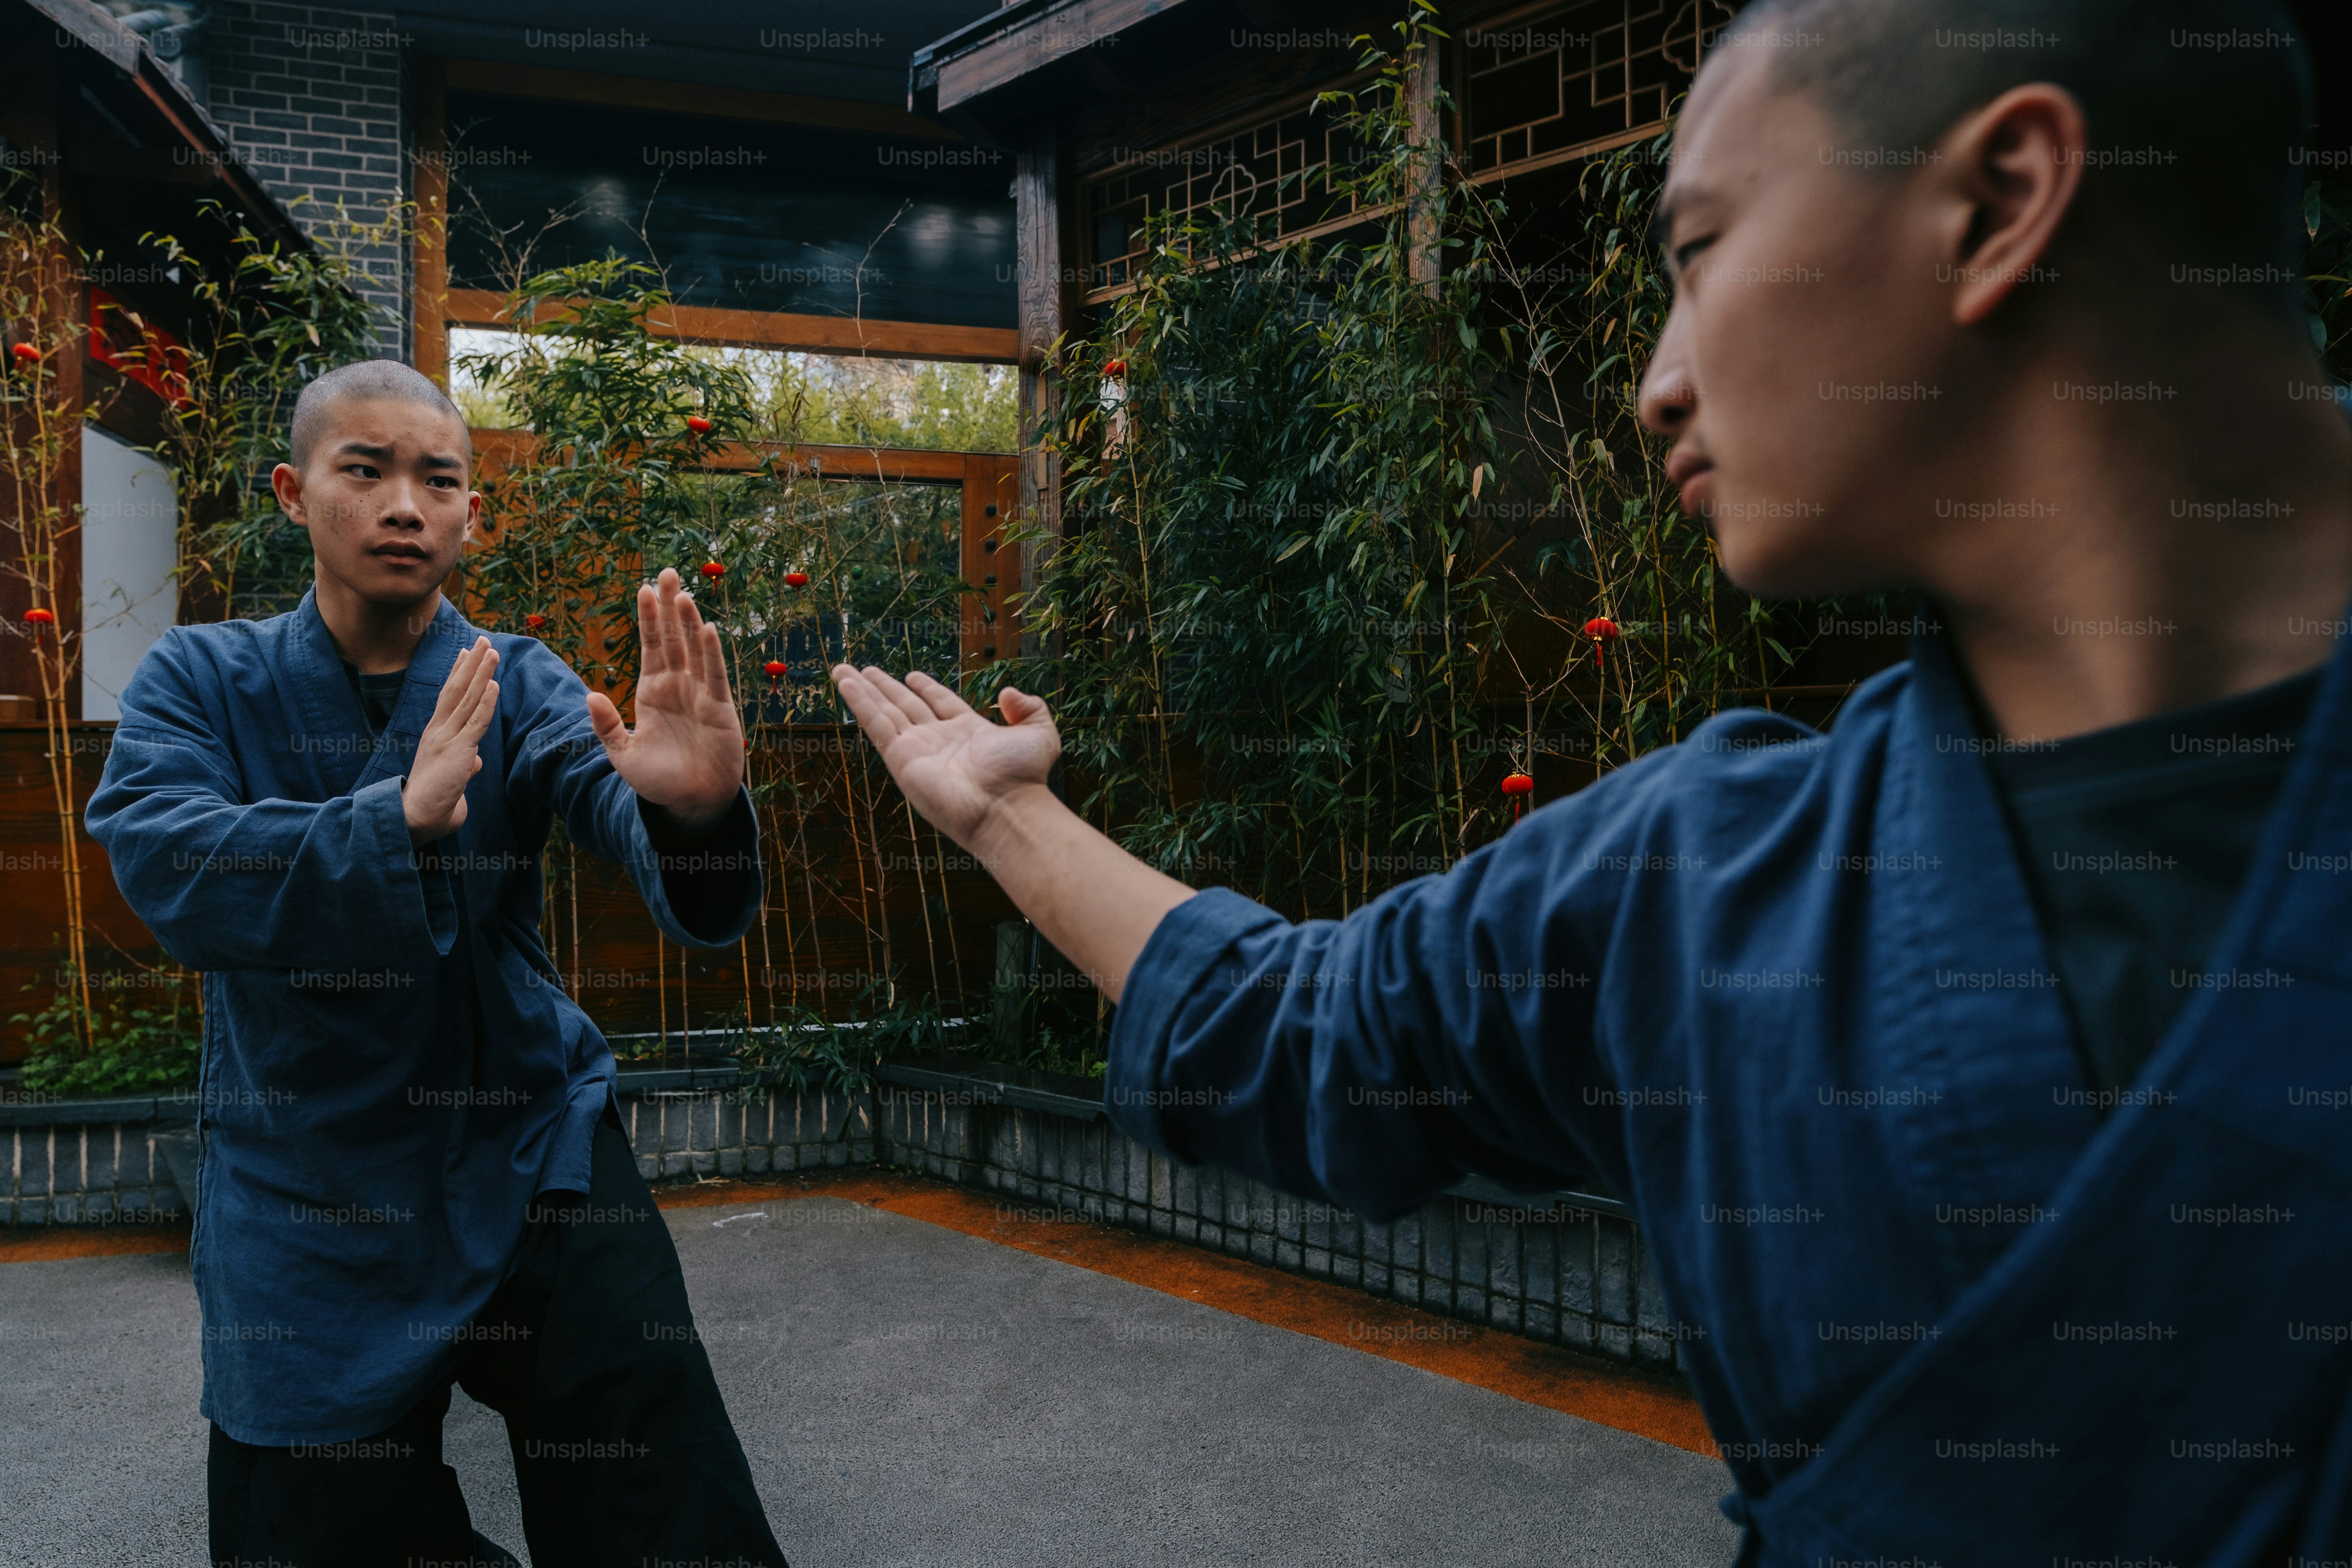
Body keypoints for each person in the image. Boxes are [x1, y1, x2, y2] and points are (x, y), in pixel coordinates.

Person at [829, 1, 2352, 1562]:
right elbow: (1293, 1035)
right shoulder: (1703, 877)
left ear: (1998, 200)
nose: (1653, 387)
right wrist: (1005, 813)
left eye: (1695, 253)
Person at [87, 360, 790, 1567]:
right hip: (305, 1179)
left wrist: (690, 812)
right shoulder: (200, 681)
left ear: (474, 512)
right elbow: (164, 863)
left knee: (665, 1495)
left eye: (438, 478)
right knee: (305, 1536)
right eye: (364, 471)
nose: (404, 504)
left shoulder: (517, 681)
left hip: (525, 1143)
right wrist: (388, 823)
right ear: (293, 493)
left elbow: (608, 799)